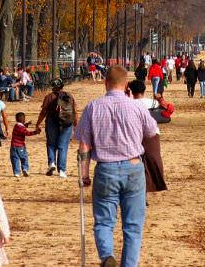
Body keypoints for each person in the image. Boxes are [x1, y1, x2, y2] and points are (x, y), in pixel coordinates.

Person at [74, 65, 158, 267]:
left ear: (105, 83)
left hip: (105, 169)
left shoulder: (93, 107)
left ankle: (107, 255)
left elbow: (84, 145)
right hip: (133, 166)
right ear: (126, 85)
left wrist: (84, 175)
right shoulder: (137, 106)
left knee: (104, 221)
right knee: (133, 226)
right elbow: (152, 132)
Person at [127, 80, 168, 194]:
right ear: (144, 90)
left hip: (133, 134)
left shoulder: (128, 103)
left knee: (135, 163)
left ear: (131, 91)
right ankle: (155, 184)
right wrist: (160, 98)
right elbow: (168, 109)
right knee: (153, 161)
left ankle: (138, 190)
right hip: (152, 134)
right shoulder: (152, 103)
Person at [35, 78, 78, 178]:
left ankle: (52, 163)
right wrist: (76, 124)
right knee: (63, 147)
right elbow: (75, 111)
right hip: (67, 123)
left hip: (52, 122)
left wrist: (38, 123)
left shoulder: (49, 97)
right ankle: (62, 171)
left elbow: (43, 112)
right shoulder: (69, 96)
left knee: (51, 144)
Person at [10, 112, 41, 178]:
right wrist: (36, 132)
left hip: (13, 145)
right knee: (24, 158)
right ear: (23, 119)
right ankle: (25, 169)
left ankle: (16, 172)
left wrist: (27, 124)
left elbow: (22, 127)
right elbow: (26, 133)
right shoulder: (21, 127)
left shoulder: (16, 126)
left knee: (15, 159)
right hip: (20, 145)